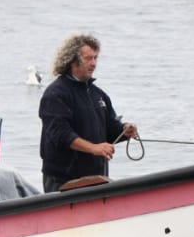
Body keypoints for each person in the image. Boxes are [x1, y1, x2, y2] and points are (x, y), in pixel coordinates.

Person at [38, 33, 138, 193]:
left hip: (97, 178)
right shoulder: (55, 94)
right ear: (72, 61)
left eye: (95, 58)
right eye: (88, 58)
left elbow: (110, 130)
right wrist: (94, 148)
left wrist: (124, 130)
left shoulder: (98, 94)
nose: (93, 64)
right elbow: (61, 136)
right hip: (63, 180)